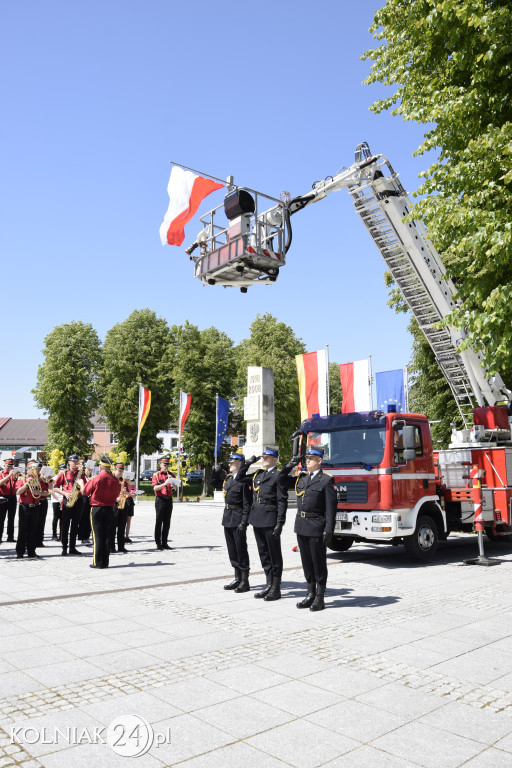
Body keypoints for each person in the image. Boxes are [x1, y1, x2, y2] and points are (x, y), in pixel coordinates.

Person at [279, 446, 336, 612]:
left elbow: (331, 509)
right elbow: (280, 480)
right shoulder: (302, 478)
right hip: (302, 526)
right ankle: (310, 593)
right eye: (307, 458)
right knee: (306, 563)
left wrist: (329, 530)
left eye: (311, 458)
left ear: (320, 461)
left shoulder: (327, 480)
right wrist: (288, 466)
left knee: (318, 563)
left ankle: (320, 597)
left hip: (317, 526)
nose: (308, 460)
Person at [249, 447, 288, 601]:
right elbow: (240, 478)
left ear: (275, 459)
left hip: (270, 518)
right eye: (263, 456)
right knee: (263, 553)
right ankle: (268, 584)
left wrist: (280, 522)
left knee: (274, 554)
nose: (264, 459)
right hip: (257, 516)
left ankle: (276, 587)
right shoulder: (260, 474)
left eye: (267, 457)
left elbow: (282, 500)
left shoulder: (278, 476)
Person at [222, 453, 253, 593]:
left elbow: (247, 504)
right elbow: (213, 483)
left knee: (241, 549)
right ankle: (237, 577)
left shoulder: (243, 482)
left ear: (240, 464)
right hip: (227, 517)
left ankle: (245, 580)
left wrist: (244, 522)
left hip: (238, 518)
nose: (229, 464)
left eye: (232, 463)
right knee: (232, 550)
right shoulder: (228, 479)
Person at [83, 455, 121, 569]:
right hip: (110, 508)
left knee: (97, 536)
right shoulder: (115, 480)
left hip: (97, 508)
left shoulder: (97, 478)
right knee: (108, 536)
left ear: (100, 467)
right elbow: (116, 494)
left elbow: (85, 491)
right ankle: (105, 562)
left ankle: (97, 562)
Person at [52, 454, 85, 556]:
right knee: (65, 525)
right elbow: (55, 487)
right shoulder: (63, 473)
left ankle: (72, 547)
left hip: (78, 500)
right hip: (67, 499)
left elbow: (85, 487)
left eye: (76, 462)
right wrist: (65, 493)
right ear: (69, 462)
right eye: (73, 461)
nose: (75, 463)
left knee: (75, 525)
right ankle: (64, 547)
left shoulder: (81, 474)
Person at [15, 460, 42, 559]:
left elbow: (45, 493)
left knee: (33, 530)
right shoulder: (22, 479)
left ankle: (31, 551)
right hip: (24, 507)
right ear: (28, 469)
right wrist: (26, 484)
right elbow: (18, 492)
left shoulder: (39, 479)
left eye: (36, 469)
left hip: (35, 507)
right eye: (33, 469)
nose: (35, 471)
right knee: (22, 530)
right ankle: (20, 552)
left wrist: (38, 491)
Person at [152, 458, 176, 551]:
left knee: (167, 522)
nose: (166, 466)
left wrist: (174, 486)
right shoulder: (156, 475)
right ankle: (158, 543)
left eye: (167, 465)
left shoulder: (171, 475)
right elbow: (155, 488)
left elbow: (173, 489)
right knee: (159, 521)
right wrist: (165, 483)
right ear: (160, 465)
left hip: (169, 500)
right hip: (160, 500)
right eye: (164, 465)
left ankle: (165, 542)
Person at [0, 458, 21, 544]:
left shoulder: (15, 475)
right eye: (8, 466)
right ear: (4, 466)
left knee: (11, 518)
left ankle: (10, 536)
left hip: (12, 497)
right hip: (2, 498)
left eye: (11, 466)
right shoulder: (1, 474)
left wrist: (19, 476)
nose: (9, 468)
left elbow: (18, 484)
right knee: (1, 518)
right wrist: (8, 476)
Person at [36, 463, 52, 548]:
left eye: (40, 468)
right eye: (38, 468)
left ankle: (39, 541)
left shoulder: (45, 478)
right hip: (36, 501)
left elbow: (50, 489)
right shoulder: (35, 478)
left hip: (44, 501)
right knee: (35, 522)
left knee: (42, 522)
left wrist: (49, 479)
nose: (39, 470)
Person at [51, 463, 67, 540]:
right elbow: (50, 489)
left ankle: (61, 534)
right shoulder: (53, 478)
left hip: (63, 499)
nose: (63, 471)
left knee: (63, 518)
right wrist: (57, 498)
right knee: (56, 517)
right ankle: (54, 534)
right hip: (56, 500)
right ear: (58, 470)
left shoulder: (66, 478)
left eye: (64, 470)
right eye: (61, 469)